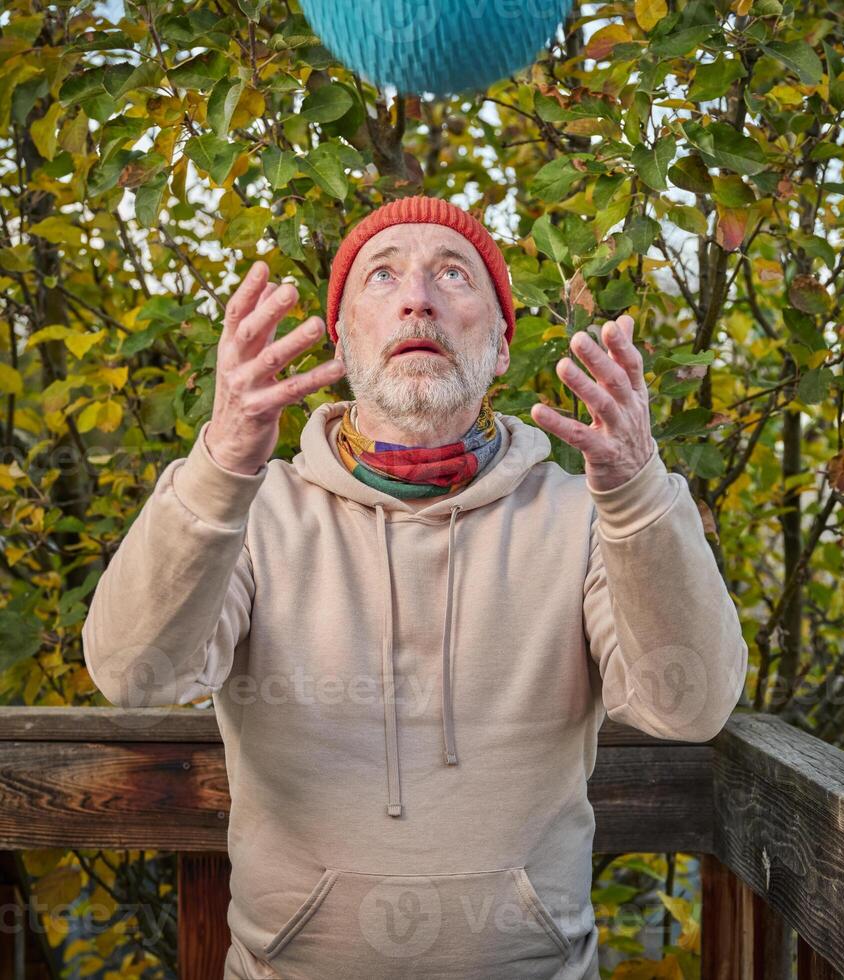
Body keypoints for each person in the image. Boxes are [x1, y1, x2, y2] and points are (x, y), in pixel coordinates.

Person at [82, 194, 748, 980]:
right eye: (383, 275)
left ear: (500, 347)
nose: (417, 297)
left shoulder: (581, 515)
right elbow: (133, 674)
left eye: (454, 275)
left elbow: (691, 704)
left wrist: (637, 493)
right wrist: (222, 462)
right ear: (342, 339)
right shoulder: (252, 508)